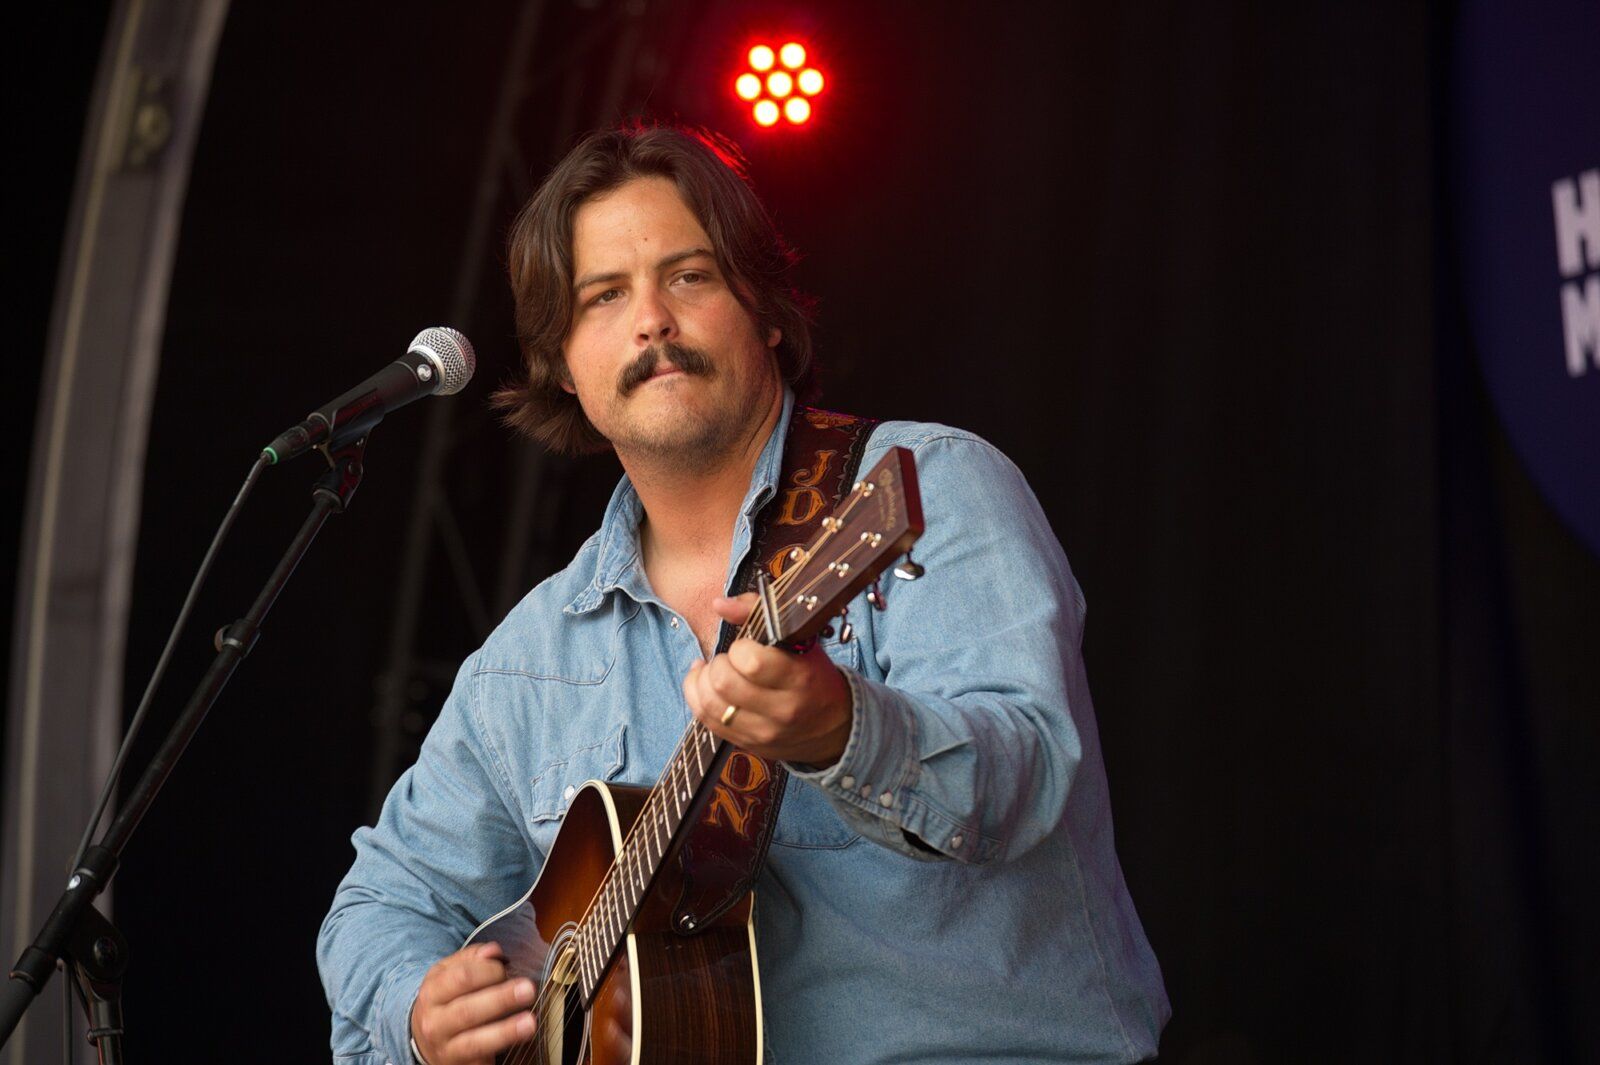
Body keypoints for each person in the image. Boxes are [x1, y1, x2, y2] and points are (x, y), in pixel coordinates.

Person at [317, 124, 1169, 1065]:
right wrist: (417, 1011)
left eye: (689, 276)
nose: (652, 320)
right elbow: (379, 904)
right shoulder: (530, 660)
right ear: (560, 361)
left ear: (765, 311)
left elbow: (1027, 773)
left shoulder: (930, 490)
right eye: (605, 296)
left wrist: (844, 731)